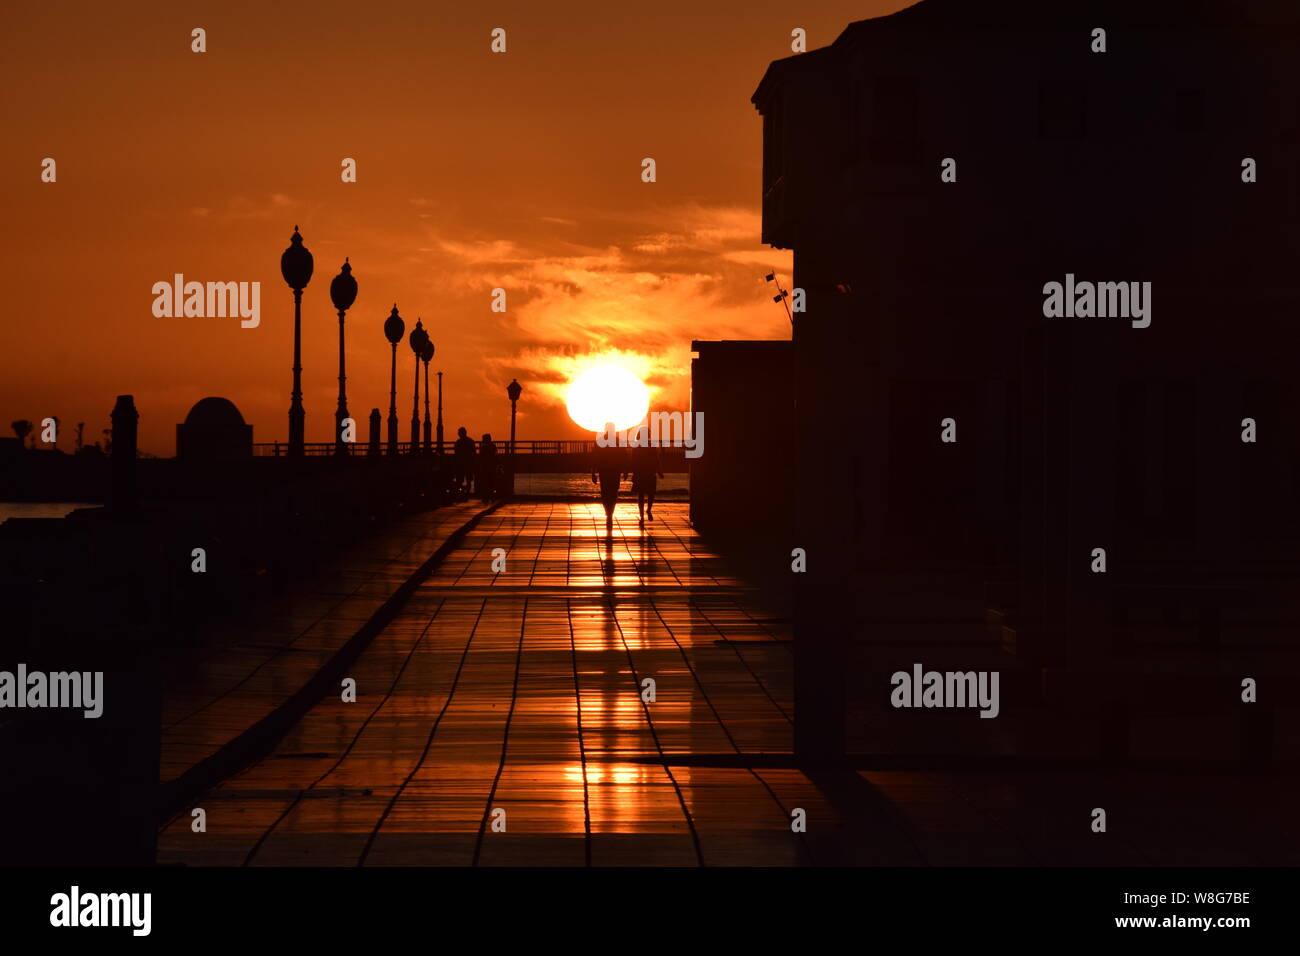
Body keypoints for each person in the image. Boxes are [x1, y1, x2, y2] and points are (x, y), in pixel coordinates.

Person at [591, 426, 627, 531]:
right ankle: (610, 513)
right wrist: (625, 470)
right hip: (615, 471)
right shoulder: (619, 441)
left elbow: (594, 458)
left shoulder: (600, 441)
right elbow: (624, 457)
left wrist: (593, 472)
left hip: (604, 471)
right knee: (613, 492)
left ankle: (608, 513)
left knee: (605, 492)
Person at [629, 441, 663, 524]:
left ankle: (642, 516)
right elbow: (656, 459)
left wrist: (632, 472)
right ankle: (648, 510)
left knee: (641, 495)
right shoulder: (651, 445)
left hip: (640, 473)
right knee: (651, 493)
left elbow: (633, 460)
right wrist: (659, 471)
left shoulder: (637, 446)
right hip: (649, 472)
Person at [453, 426, 475, 494]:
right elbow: (474, 451)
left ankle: (461, 491)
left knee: (460, 478)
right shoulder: (470, 441)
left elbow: (456, 453)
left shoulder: (458, 442)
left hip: (461, 462)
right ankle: (468, 490)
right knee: (468, 477)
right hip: (468, 461)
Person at [477, 433, 498, 502]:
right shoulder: (493, 446)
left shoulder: (483, 447)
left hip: (485, 467)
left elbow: (481, 457)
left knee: (485, 483)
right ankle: (492, 496)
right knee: (492, 482)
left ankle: (486, 497)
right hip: (492, 467)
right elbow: (496, 456)